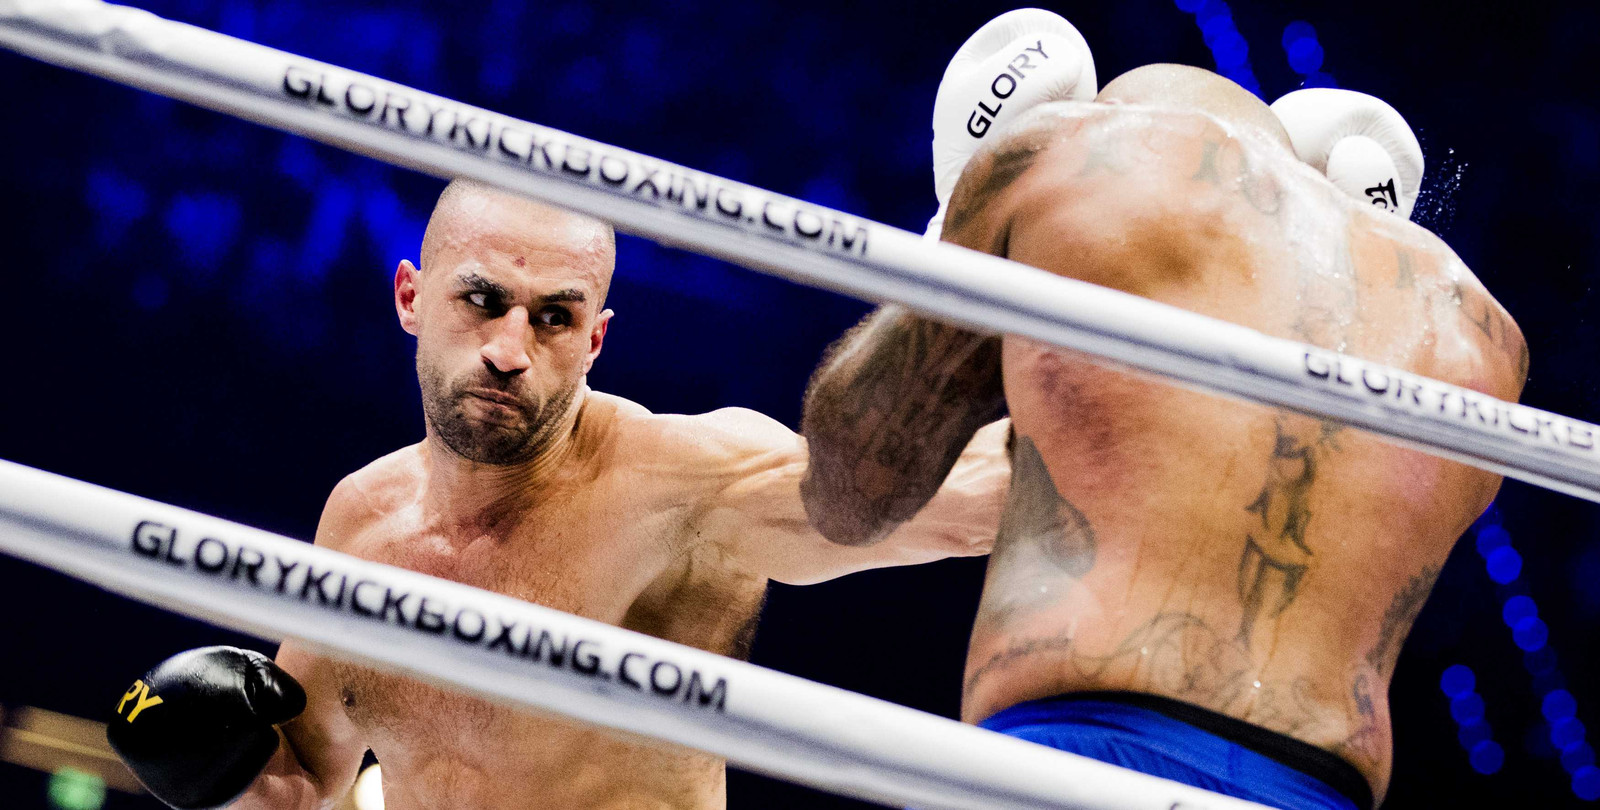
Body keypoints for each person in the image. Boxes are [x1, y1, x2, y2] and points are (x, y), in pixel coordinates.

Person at [799, 16, 1526, 810]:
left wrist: (948, 240)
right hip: (1313, 791)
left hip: (1072, 758)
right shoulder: (1479, 335)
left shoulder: (1064, 157)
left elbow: (851, 490)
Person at [107, 179, 1009, 810]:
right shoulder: (363, 521)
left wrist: (1018, 283)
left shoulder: (684, 485)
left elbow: (965, 508)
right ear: (410, 298)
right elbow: (303, 784)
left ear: (595, 341)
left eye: (553, 318)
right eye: (482, 300)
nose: (510, 350)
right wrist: (208, 764)